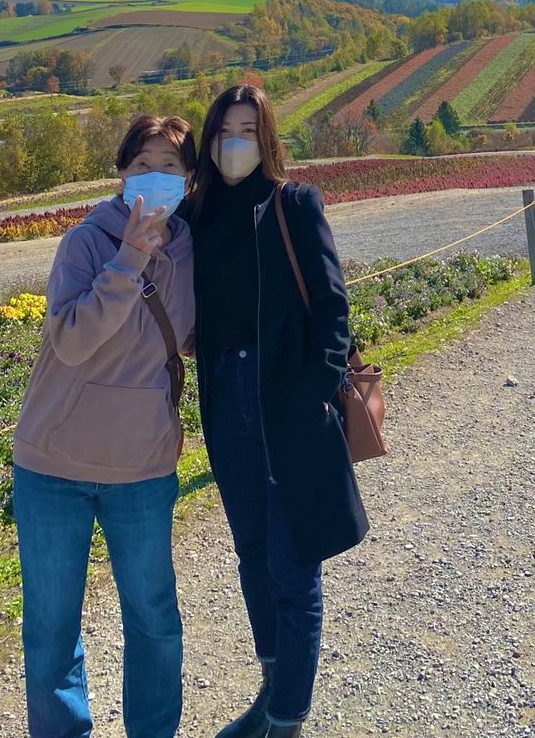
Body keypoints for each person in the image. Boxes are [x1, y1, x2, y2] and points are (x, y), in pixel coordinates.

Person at [181, 84, 368, 738]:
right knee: (252, 554)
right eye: (224, 130)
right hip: (226, 400)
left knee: (295, 562)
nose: (235, 143)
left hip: (285, 398)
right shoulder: (196, 212)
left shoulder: (292, 204)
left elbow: (333, 304)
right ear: (209, 140)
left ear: (267, 138)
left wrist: (315, 389)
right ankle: (270, 690)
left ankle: (286, 717)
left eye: (247, 130)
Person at [13, 114, 197, 738]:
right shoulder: (86, 243)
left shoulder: (193, 251)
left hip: (142, 468)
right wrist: (130, 256)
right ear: (121, 173)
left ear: (189, 181)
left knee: (152, 618)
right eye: (142, 165)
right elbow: (71, 340)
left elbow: (197, 337)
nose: (154, 178)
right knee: (51, 627)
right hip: (52, 466)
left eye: (169, 168)